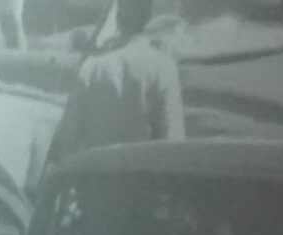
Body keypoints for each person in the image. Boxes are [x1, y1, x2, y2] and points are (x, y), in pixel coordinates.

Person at [47, 0, 184, 168]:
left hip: (97, 180)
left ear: (118, 17)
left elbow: (67, 138)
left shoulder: (92, 67)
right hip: (143, 183)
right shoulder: (164, 67)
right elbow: (173, 142)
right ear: (148, 18)